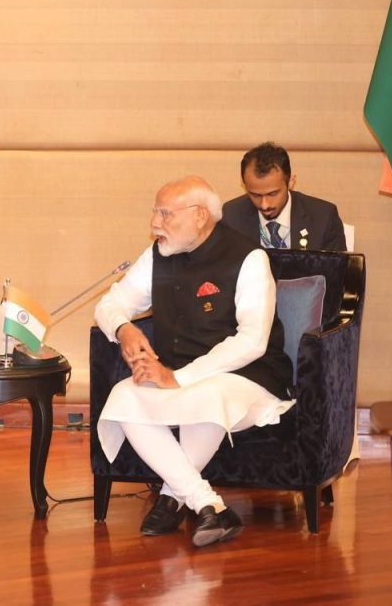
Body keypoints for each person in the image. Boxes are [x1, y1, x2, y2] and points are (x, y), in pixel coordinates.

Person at [94, 176, 294, 548]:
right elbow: (110, 303)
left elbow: (253, 341)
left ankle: (171, 497)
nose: (155, 223)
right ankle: (208, 505)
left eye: (165, 214)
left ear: (200, 216)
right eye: (155, 212)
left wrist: (180, 378)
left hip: (248, 377)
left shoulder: (248, 258)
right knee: (123, 395)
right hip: (178, 377)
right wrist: (124, 329)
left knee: (208, 395)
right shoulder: (158, 254)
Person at [221, 142, 346, 251]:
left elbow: (337, 270)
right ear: (245, 186)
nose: (265, 205)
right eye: (255, 195)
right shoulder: (231, 216)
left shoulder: (323, 217)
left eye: (272, 194)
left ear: (290, 182)